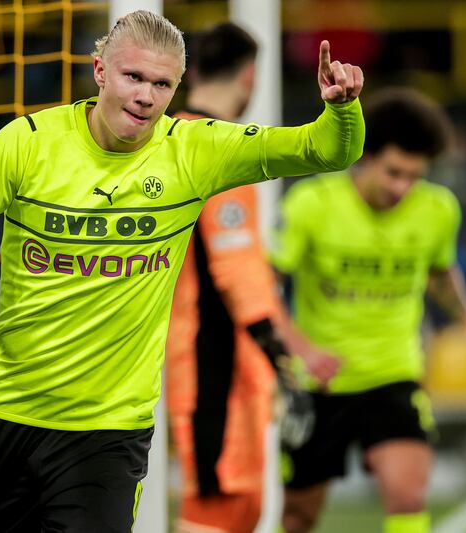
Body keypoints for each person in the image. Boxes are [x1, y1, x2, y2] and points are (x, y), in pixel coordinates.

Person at [0, 10, 364, 532]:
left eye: (162, 83)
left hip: (107, 436)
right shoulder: (27, 143)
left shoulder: (194, 151)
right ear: (100, 70)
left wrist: (342, 109)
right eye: (133, 77)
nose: (146, 95)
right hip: (5, 415)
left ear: (177, 89)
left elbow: (326, 149)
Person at [271, 88, 466, 533]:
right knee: (298, 516)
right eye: (394, 173)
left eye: (414, 176)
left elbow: (439, 273)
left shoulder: (437, 209)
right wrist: (303, 348)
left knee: (408, 494)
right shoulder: (311, 204)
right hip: (317, 382)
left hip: (394, 374)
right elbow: (263, 285)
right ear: (365, 156)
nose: (402, 188)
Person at [165, 23, 333, 533]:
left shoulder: (165, 141)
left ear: (191, 72)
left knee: (228, 502)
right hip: (216, 364)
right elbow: (237, 271)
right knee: (224, 506)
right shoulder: (221, 149)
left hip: (186, 355)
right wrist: (281, 357)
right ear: (251, 74)